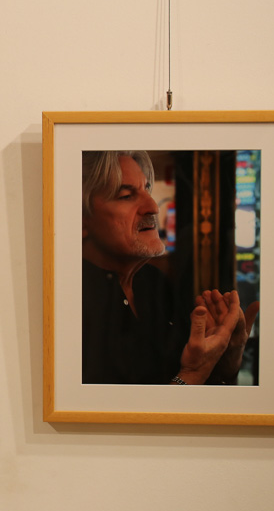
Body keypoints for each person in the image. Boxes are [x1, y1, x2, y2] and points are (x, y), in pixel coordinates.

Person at [81, 150, 258, 385]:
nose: (153, 207)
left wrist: (223, 362)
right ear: (79, 220)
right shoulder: (72, 303)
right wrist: (194, 373)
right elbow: (106, 410)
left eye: (147, 189)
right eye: (126, 196)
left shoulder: (153, 282)